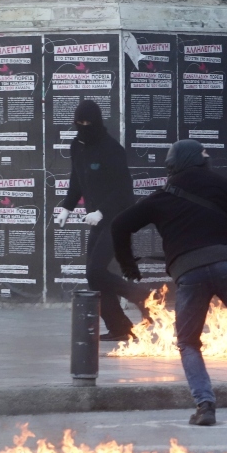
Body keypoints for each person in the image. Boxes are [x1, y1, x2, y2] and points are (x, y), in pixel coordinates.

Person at [111, 140, 227, 426]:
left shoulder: (161, 198)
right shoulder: (220, 184)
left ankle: (205, 407)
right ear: (199, 161)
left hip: (189, 272)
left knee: (188, 342)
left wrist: (128, 265)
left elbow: (119, 225)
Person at [54, 99, 151, 341]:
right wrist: (66, 207)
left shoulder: (111, 149)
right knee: (93, 276)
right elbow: (76, 180)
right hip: (97, 221)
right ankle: (119, 328)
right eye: (79, 122)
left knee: (96, 270)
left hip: (117, 220)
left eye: (88, 122)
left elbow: (124, 191)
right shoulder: (77, 146)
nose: (83, 126)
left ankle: (141, 295)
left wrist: (101, 212)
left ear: (96, 122)